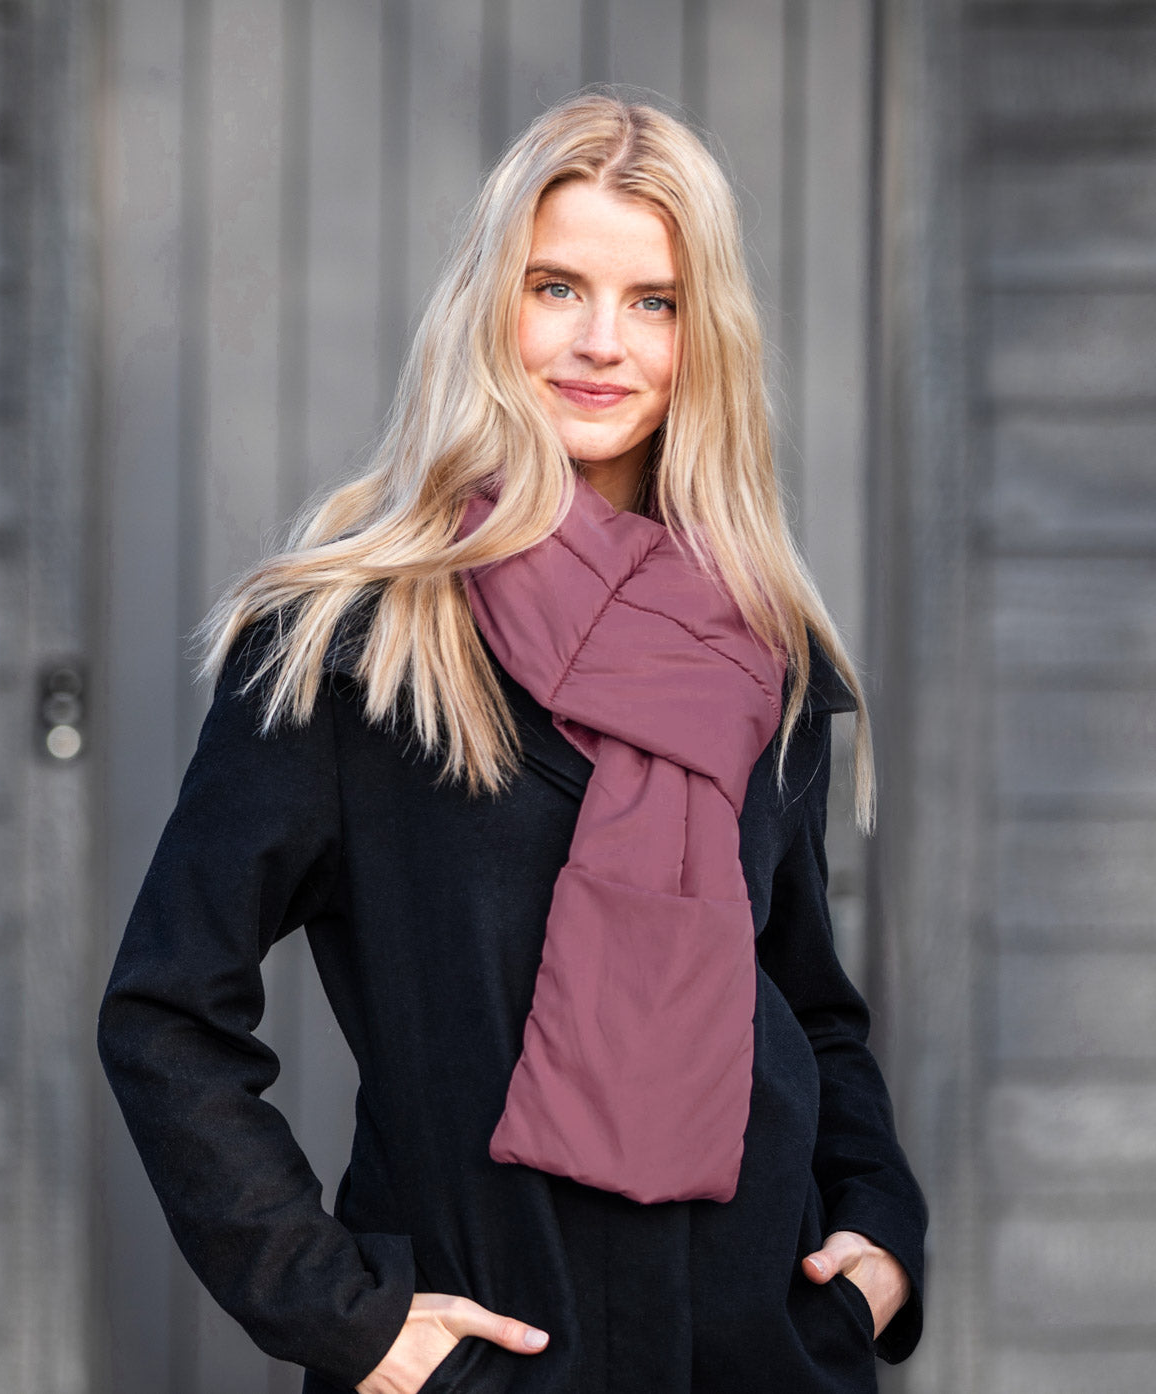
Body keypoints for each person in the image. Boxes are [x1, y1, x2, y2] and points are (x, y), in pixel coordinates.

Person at [98, 90, 927, 1394]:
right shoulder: (352, 646)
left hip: (761, 1358)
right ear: (492, 304)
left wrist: (879, 1226)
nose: (603, 342)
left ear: (702, 336)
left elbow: (809, 1005)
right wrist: (352, 1319)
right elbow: (165, 1011)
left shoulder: (760, 649)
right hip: (490, 1370)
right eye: (557, 288)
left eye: (654, 301)